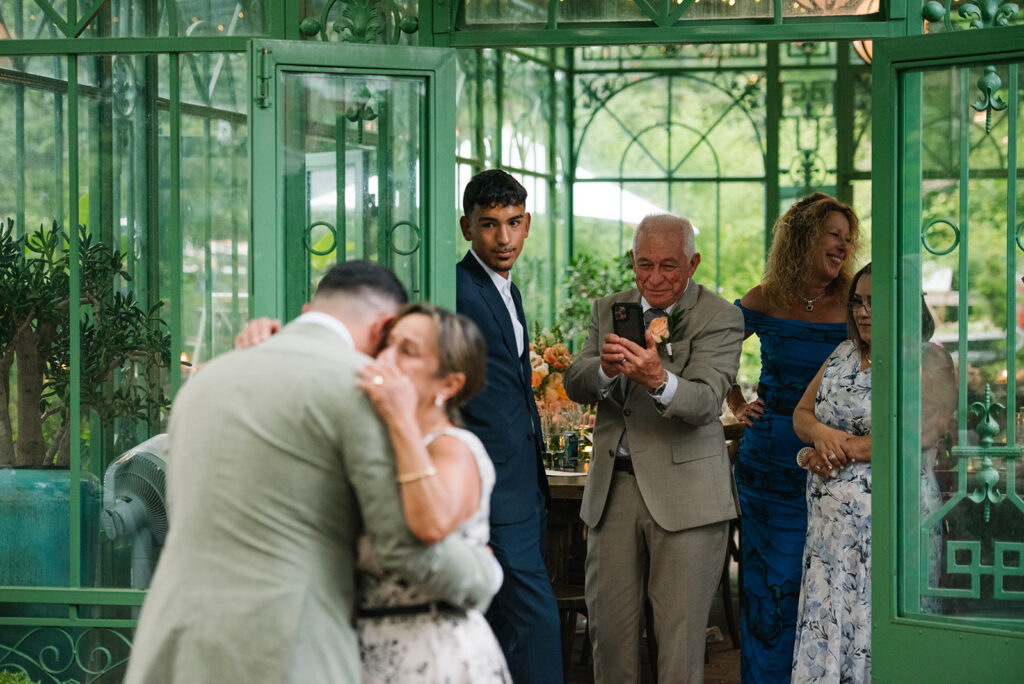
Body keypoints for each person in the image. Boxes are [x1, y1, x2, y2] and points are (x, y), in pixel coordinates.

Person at [124, 261, 501, 684]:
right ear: (380, 331)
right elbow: (402, 545)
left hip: (176, 639)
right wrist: (484, 574)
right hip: (288, 645)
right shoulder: (355, 388)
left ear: (309, 309)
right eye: (391, 344)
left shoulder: (206, 382)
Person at [563, 213, 745, 683]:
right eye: (644, 264)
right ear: (632, 260)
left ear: (693, 263)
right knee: (610, 639)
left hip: (688, 499)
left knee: (680, 646)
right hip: (613, 493)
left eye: (669, 265)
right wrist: (605, 370)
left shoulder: (721, 315)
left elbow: (706, 400)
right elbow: (575, 382)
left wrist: (657, 379)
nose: (655, 277)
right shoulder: (609, 308)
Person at [725, 192, 860, 683]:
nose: (844, 246)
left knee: (824, 588)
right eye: (834, 235)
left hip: (835, 465)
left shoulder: (855, 303)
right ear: (804, 237)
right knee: (771, 588)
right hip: (769, 469)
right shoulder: (766, 297)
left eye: (849, 238)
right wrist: (736, 401)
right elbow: (711, 346)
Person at [353, 302, 511, 683]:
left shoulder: (454, 447)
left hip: (435, 655)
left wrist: (400, 418)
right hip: (365, 653)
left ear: (449, 384)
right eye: (387, 345)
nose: (387, 358)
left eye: (407, 351)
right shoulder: (375, 445)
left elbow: (431, 522)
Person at [456, 169, 562, 683]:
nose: (504, 238)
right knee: (538, 618)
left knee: (505, 625)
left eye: (514, 223)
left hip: (522, 482)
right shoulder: (458, 291)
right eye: (490, 225)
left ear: (527, 223)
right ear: (466, 227)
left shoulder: (504, 289)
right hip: (493, 487)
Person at [791, 262, 873, 683]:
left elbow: (921, 432)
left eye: (875, 302)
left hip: (877, 535)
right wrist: (820, 437)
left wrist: (841, 450)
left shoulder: (920, 357)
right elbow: (802, 413)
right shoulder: (842, 353)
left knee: (866, 624)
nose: (863, 311)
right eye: (858, 301)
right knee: (827, 620)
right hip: (826, 536)